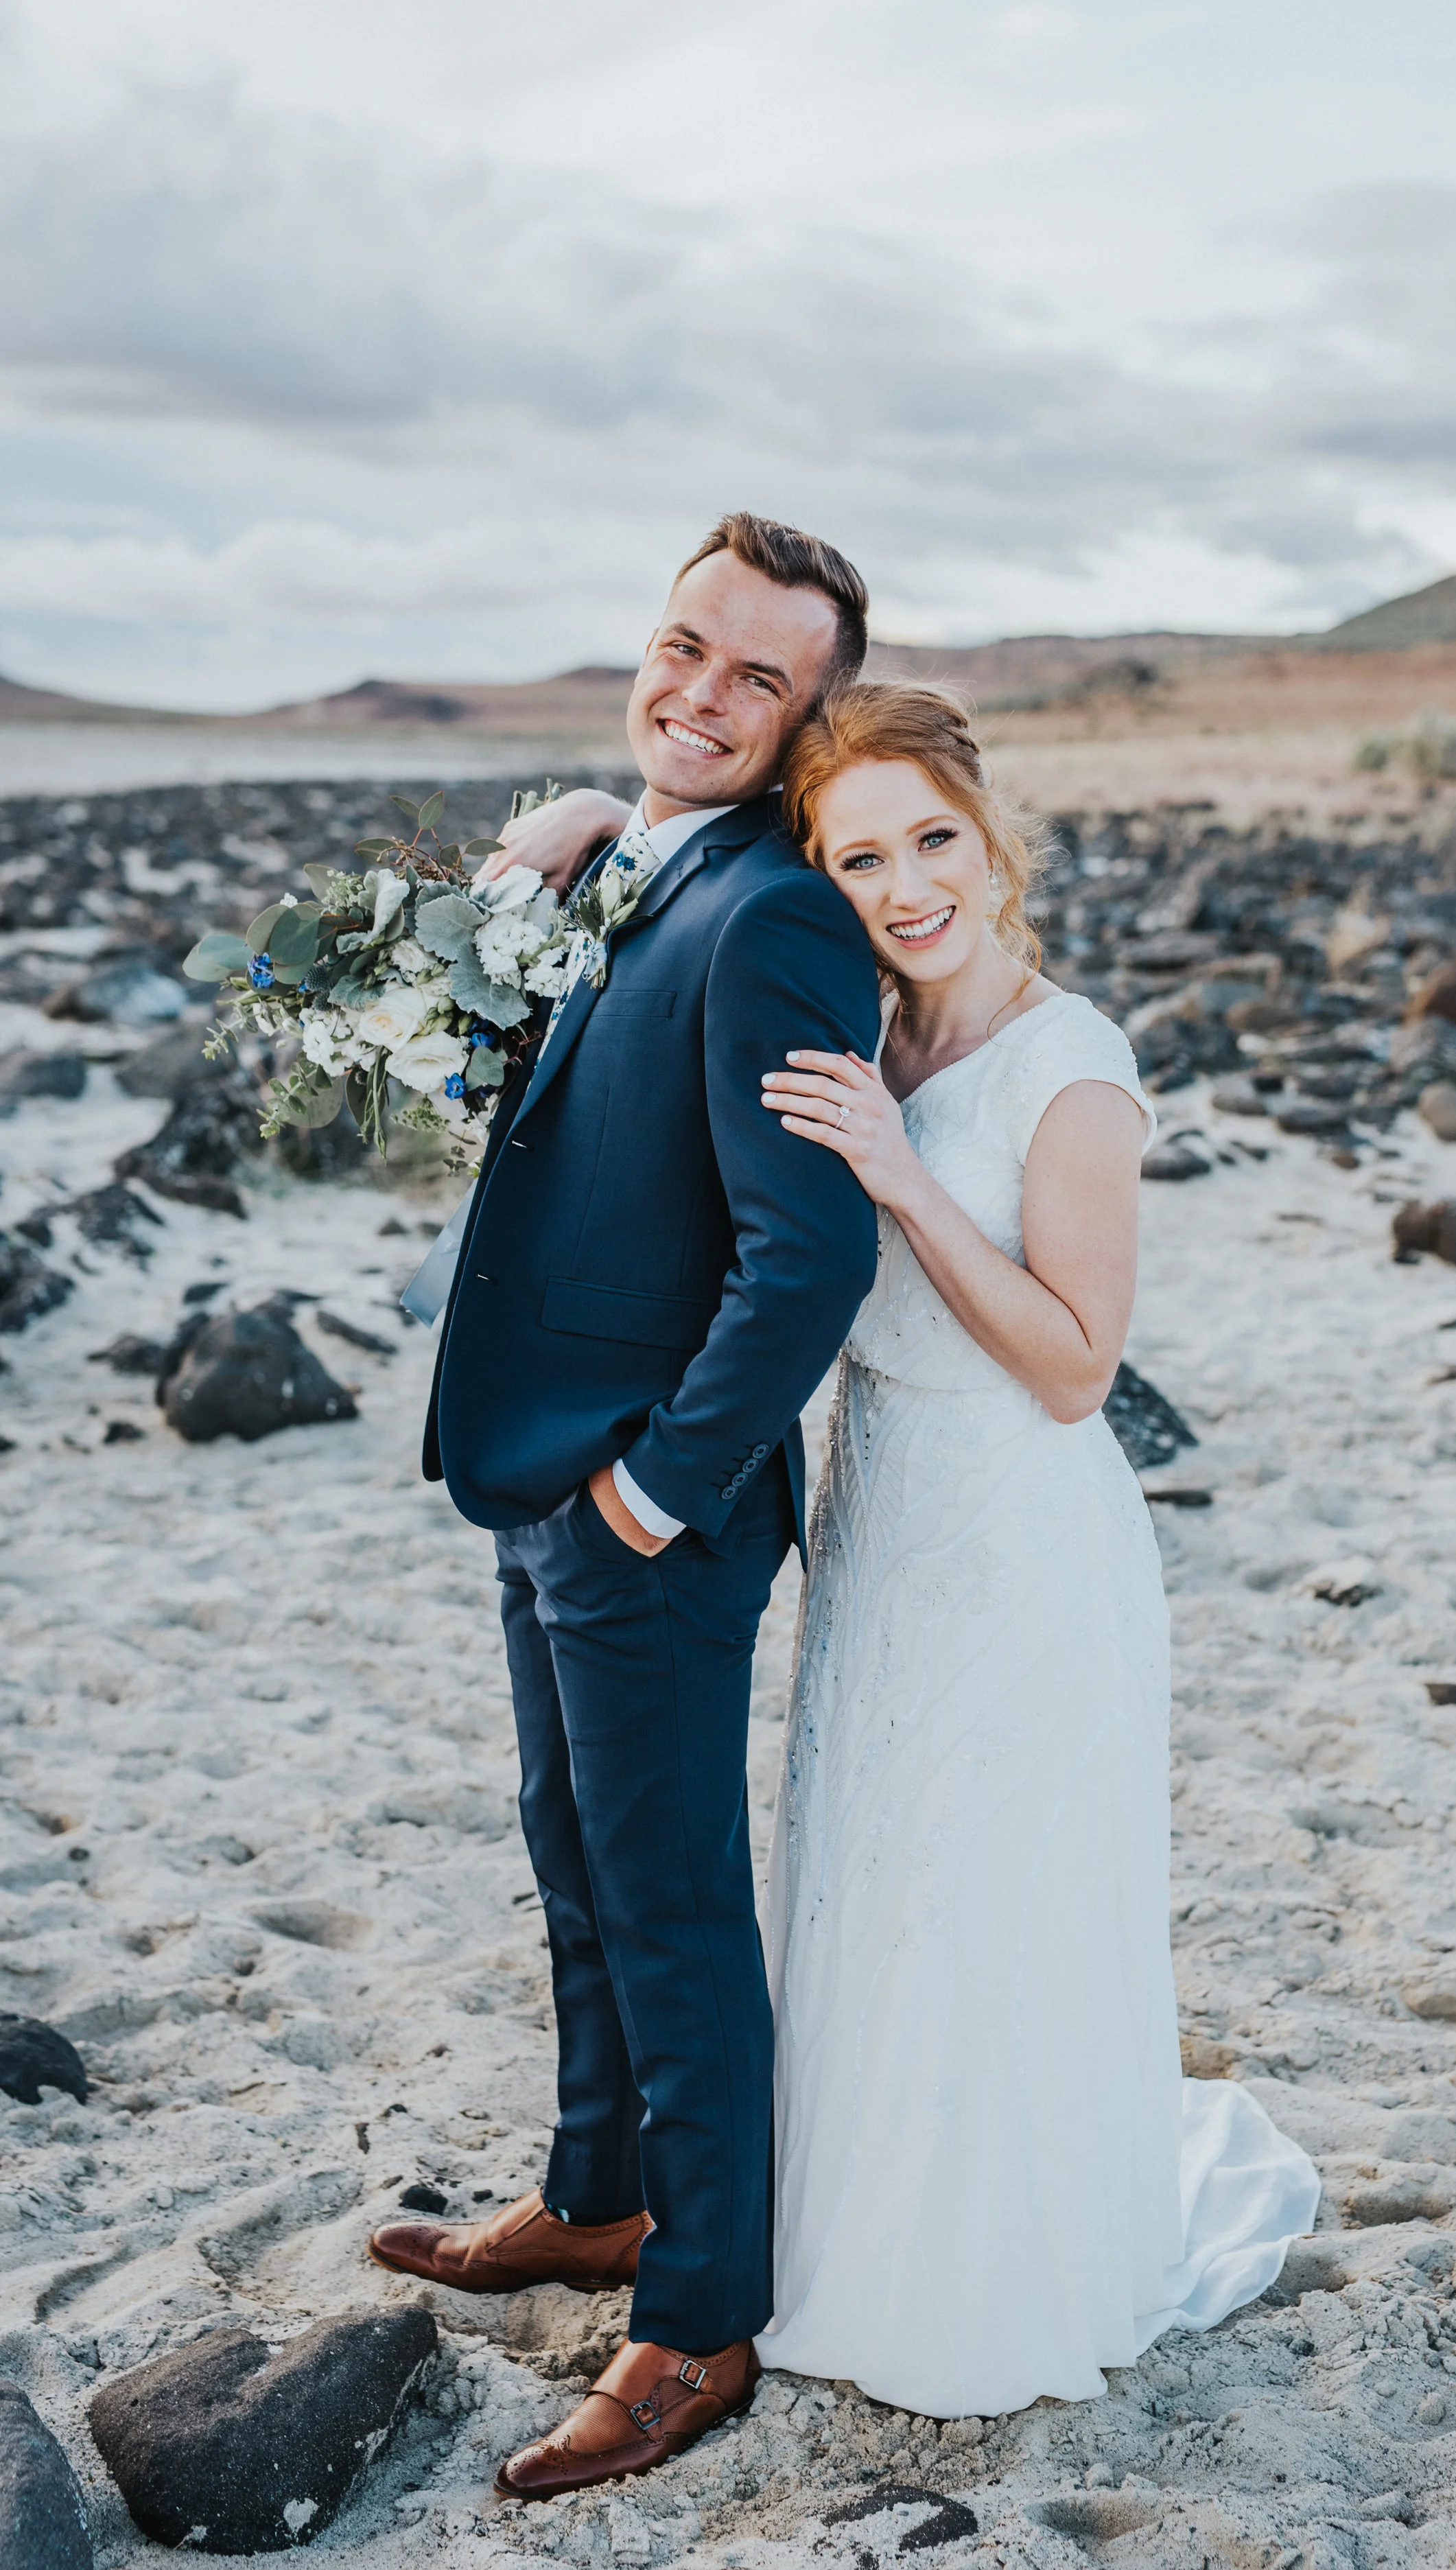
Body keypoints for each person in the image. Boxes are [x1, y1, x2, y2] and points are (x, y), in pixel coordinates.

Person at [366, 515, 884, 2498]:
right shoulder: (625, 869)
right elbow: (475, 1085)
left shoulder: (771, 917)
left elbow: (806, 1256)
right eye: (686, 647)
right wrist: (525, 865)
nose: (701, 694)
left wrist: (661, 1492)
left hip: (644, 1498)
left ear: (806, 715)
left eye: (757, 678)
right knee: (565, 1846)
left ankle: (700, 2315)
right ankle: (593, 2192)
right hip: (535, 1460)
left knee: (670, 1903)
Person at [753, 682, 1319, 2419]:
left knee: (986, 1896)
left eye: (932, 839)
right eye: (859, 858)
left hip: (1016, 1536)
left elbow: (1079, 1372)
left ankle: (984, 2280)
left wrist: (902, 1182)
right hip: (880, 1518)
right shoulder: (869, 1033)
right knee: (870, 1885)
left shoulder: (1071, 1073)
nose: (906, 883)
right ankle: (846, 2240)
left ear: (994, 841)